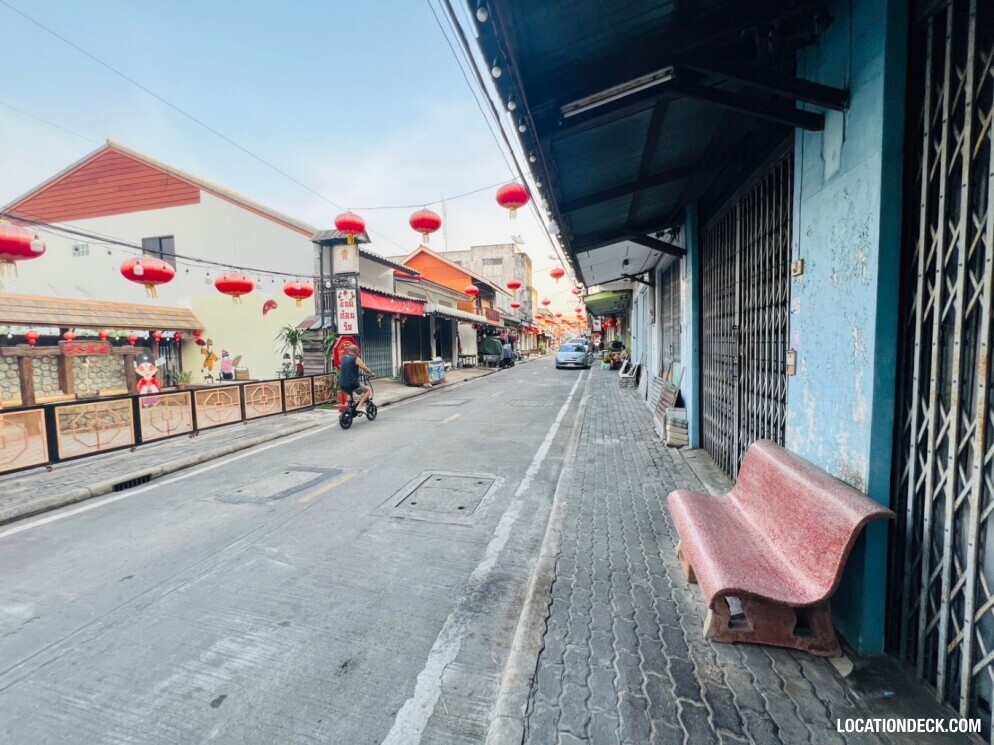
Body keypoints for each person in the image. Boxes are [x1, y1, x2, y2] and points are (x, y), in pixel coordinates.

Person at [339, 343, 374, 412]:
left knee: (349, 392)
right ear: (356, 351)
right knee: (368, 390)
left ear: (349, 351)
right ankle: (359, 406)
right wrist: (371, 374)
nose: (359, 352)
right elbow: (365, 368)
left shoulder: (343, 358)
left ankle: (350, 407)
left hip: (342, 384)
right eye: (358, 351)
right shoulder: (356, 359)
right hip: (352, 384)